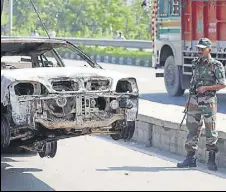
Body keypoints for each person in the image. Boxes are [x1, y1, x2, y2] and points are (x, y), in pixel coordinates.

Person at [177, 38, 226, 171]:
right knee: (192, 129)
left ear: (209, 49)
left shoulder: (216, 65)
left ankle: (211, 159)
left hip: (208, 101)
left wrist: (206, 88)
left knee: (211, 130)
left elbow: (222, 84)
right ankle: (190, 158)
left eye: (202, 49)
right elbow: (193, 82)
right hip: (194, 100)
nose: (199, 51)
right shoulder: (196, 63)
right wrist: (189, 99)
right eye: (198, 48)